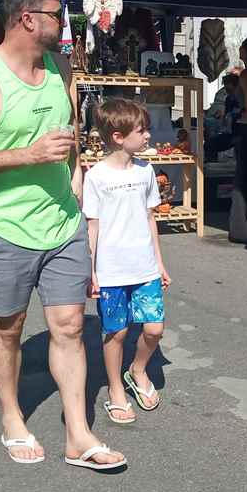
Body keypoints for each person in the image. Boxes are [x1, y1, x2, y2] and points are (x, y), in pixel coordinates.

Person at [0, 0, 125, 471]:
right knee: (9, 327)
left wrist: (82, 203)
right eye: (55, 13)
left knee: (68, 325)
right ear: (26, 19)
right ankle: (11, 417)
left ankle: (78, 434)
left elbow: (72, 140)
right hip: (6, 227)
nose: (63, 22)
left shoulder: (61, 67)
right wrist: (28, 154)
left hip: (63, 224)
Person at [83, 98, 170, 424]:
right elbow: (93, 225)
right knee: (116, 333)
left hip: (144, 266)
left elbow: (150, 219)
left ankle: (137, 369)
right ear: (118, 136)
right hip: (111, 270)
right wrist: (91, 271)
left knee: (154, 328)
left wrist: (159, 263)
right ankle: (116, 388)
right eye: (141, 130)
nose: (148, 136)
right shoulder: (96, 176)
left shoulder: (146, 172)